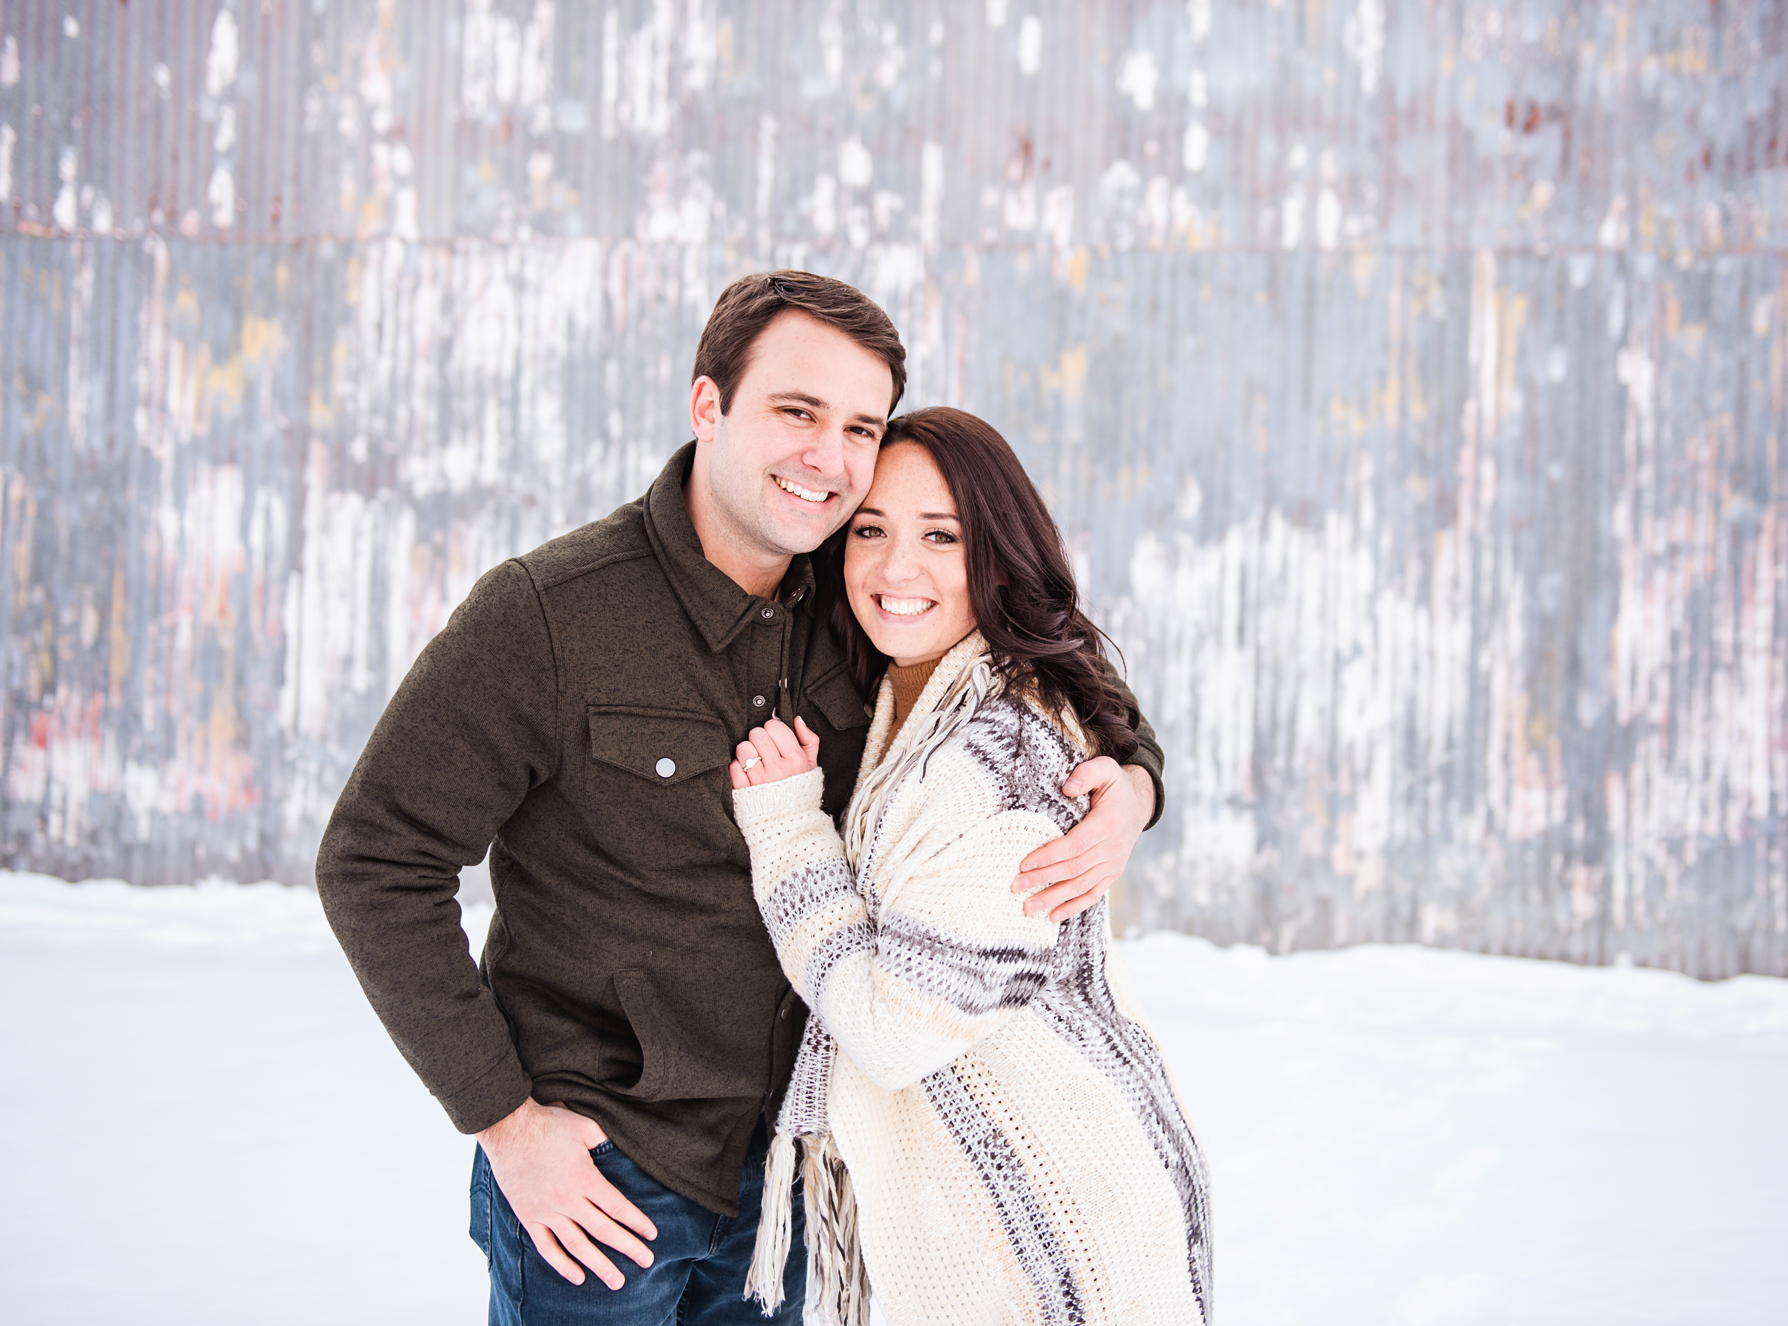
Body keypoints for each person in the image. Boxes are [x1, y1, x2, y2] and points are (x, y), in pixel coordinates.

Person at [315, 272, 1168, 1325]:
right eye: (795, 411)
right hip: (604, 1175)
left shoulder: (864, 593)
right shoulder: (546, 615)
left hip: (796, 1178)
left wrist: (1130, 785)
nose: (830, 457)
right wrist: (503, 1120)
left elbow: (1040, 668)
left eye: (859, 425)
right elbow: (373, 859)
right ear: (707, 405)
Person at [728, 407, 1212, 1326]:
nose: (894, 569)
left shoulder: (1004, 757)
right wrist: (1141, 783)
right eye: (870, 530)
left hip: (1059, 1222)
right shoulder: (914, 685)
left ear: (998, 555)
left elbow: (891, 1028)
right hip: (992, 1195)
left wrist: (788, 831)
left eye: (940, 536)